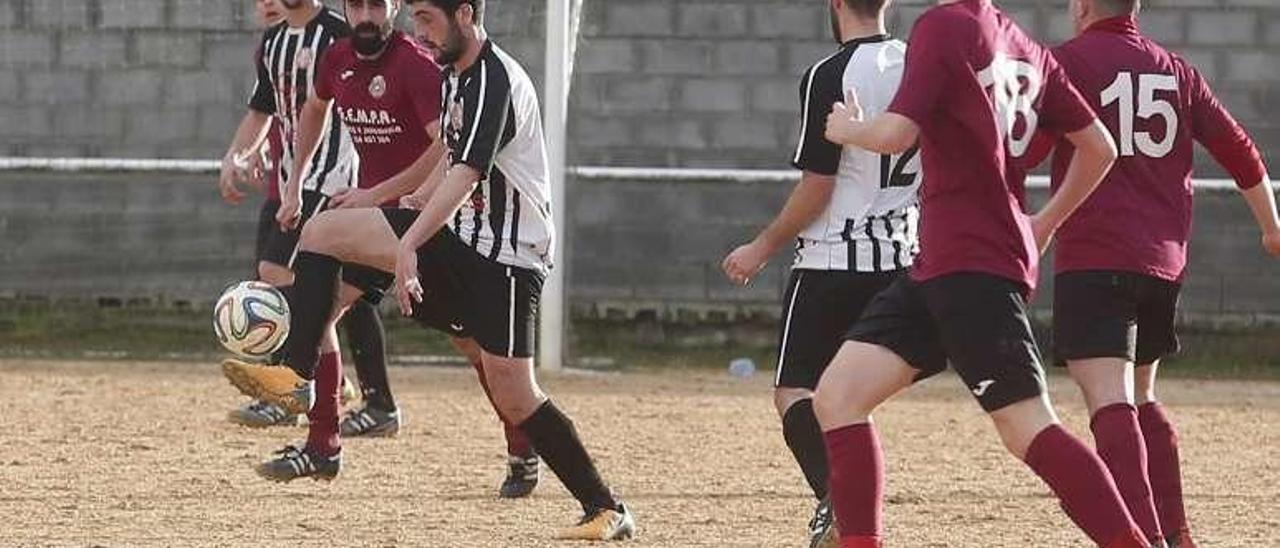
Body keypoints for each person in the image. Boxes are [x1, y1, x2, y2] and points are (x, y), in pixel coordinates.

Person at [221, 0, 636, 539]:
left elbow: (466, 171)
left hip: (507, 259)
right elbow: (445, 157)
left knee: (515, 392)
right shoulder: (453, 74)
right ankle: (298, 376)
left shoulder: (494, 78)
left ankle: (606, 507)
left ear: (465, 14)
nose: (420, 30)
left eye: (427, 18)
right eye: (415, 19)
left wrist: (409, 241)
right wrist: (399, 197)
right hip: (456, 236)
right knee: (321, 233)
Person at [816, 0, 1153, 546]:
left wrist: (850, 128)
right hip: (942, 264)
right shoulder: (1024, 45)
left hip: (971, 265)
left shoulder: (944, 25)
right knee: (837, 397)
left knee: (1027, 428)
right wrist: (1040, 224)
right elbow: (1100, 147)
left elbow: (897, 134)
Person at [237, 0, 541, 498]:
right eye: (356, 5)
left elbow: (446, 151)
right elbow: (315, 108)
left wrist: (379, 195)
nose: (366, 16)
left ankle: (521, 446)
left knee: (476, 349)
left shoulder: (418, 65)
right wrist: (294, 186)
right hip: (375, 221)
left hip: (430, 223)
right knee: (318, 311)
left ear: (395, 8)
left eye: (376, 5)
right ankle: (322, 443)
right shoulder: (336, 59)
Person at [1039, 1, 1280, 545]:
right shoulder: (1177, 70)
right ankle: (1176, 533)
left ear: (1080, 6)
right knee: (1141, 395)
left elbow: (1023, 147)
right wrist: (1271, 228)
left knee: (1109, 399)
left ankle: (1142, 538)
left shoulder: (1066, 63)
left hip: (1096, 255)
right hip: (1161, 263)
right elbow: (1241, 150)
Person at [721, 1, 918, 545]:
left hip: (833, 260)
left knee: (794, 392)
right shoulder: (918, 63)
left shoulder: (828, 75)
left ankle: (838, 504)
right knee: (851, 398)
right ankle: (851, 512)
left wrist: (761, 247)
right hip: (901, 260)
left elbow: (819, 185)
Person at [220, 0, 358, 428]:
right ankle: (320, 384)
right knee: (304, 288)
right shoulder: (275, 41)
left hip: (332, 178)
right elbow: (264, 110)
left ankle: (301, 383)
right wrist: (236, 155)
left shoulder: (340, 34)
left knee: (276, 272)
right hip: (291, 179)